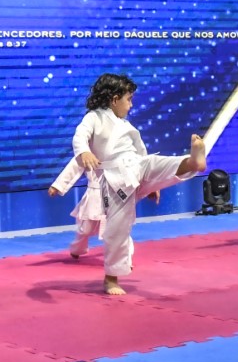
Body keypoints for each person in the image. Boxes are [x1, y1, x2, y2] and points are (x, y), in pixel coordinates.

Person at [50, 73, 207, 295]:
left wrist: (154, 185)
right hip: (114, 180)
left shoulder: (125, 125)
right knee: (116, 229)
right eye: (129, 99)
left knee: (157, 163)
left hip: (137, 165)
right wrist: (84, 151)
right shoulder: (94, 118)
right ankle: (111, 278)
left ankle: (191, 162)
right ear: (114, 99)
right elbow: (79, 137)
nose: (131, 105)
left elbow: (141, 151)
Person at [48, 156, 106, 260]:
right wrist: (57, 186)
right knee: (85, 230)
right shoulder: (87, 151)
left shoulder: (120, 149)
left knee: (119, 229)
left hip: (116, 193)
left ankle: (124, 260)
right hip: (94, 193)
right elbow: (74, 166)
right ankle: (77, 249)